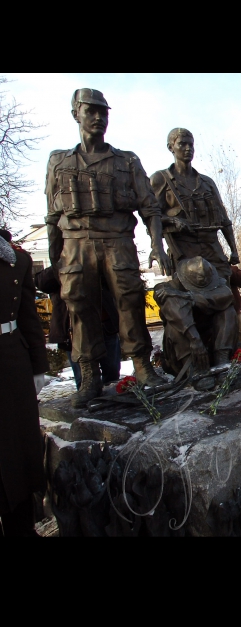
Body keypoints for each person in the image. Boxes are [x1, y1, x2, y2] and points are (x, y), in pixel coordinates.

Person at [44, 88, 169, 408]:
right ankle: (88, 375)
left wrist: (157, 244)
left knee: (129, 299)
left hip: (117, 240)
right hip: (76, 244)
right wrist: (54, 258)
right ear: (76, 114)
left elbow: (150, 208)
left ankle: (142, 367)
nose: (98, 117)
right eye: (91, 111)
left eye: (104, 112)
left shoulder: (126, 161)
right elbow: (52, 215)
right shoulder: (59, 161)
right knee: (79, 307)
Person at [0, 228, 49, 536]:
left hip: (12, 363)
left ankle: (22, 527)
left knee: (18, 452)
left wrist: (37, 368)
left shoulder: (16, 259)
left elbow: (29, 316)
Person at [150, 128, 240, 287]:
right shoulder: (161, 179)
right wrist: (172, 221)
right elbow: (151, 216)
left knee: (223, 291)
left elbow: (224, 219)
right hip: (184, 249)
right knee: (190, 297)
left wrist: (233, 249)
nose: (188, 149)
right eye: (182, 144)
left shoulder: (207, 183)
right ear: (171, 147)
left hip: (212, 247)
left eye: (191, 145)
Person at [154, 256, 238, 390]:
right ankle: (195, 370)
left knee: (227, 310)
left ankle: (222, 359)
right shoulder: (166, 289)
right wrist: (195, 339)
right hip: (184, 350)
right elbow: (176, 310)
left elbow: (226, 295)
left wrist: (190, 297)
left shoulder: (216, 283)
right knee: (175, 325)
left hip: (210, 343)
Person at [34, 266, 121, 389]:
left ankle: (112, 404)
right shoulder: (61, 265)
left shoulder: (96, 259)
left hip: (104, 326)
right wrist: (62, 263)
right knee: (83, 380)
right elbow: (42, 283)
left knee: (112, 373)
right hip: (73, 331)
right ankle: (88, 403)